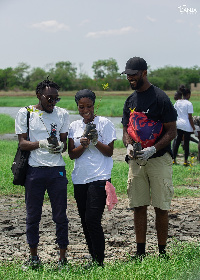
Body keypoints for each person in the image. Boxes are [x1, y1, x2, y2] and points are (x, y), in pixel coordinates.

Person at [121, 57, 177, 259]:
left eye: (134, 74)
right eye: (128, 75)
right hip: (136, 161)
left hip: (158, 159)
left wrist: (153, 149)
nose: (130, 78)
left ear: (144, 73)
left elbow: (172, 131)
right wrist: (128, 145)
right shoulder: (131, 100)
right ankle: (140, 252)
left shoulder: (160, 98)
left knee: (161, 206)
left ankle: (162, 252)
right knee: (138, 205)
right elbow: (126, 130)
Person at [15, 77, 69, 269]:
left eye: (56, 99)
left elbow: (64, 143)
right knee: (33, 215)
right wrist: (41, 144)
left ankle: (62, 258)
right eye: (49, 99)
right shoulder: (26, 113)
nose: (53, 103)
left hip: (57, 171)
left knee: (60, 216)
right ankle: (34, 257)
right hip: (34, 171)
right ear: (39, 95)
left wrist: (60, 146)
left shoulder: (62, 114)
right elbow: (22, 143)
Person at [68, 89, 117, 267]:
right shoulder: (74, 126)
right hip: (80, 179)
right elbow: (72, 155)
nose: (85, 110)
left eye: (89, 106)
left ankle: (99, 260)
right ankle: (93, 256)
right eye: (81, 107)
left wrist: (96, 142)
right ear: (77, 107)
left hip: (100, 177)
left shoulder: (104, 123)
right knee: (84, 219)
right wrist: (83, 144)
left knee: (92, 219)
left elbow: (110, 152)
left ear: (94, 105)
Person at [173, 88, 195, 165]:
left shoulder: (177, 102)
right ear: (188, 94)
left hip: (178, 124)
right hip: (186, 126)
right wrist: (193, 128)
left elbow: (174, 114)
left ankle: (173, 159)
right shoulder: (189, 104)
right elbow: (190, 117)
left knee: (177, 142)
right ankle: (185, 161)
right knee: (186, 143)